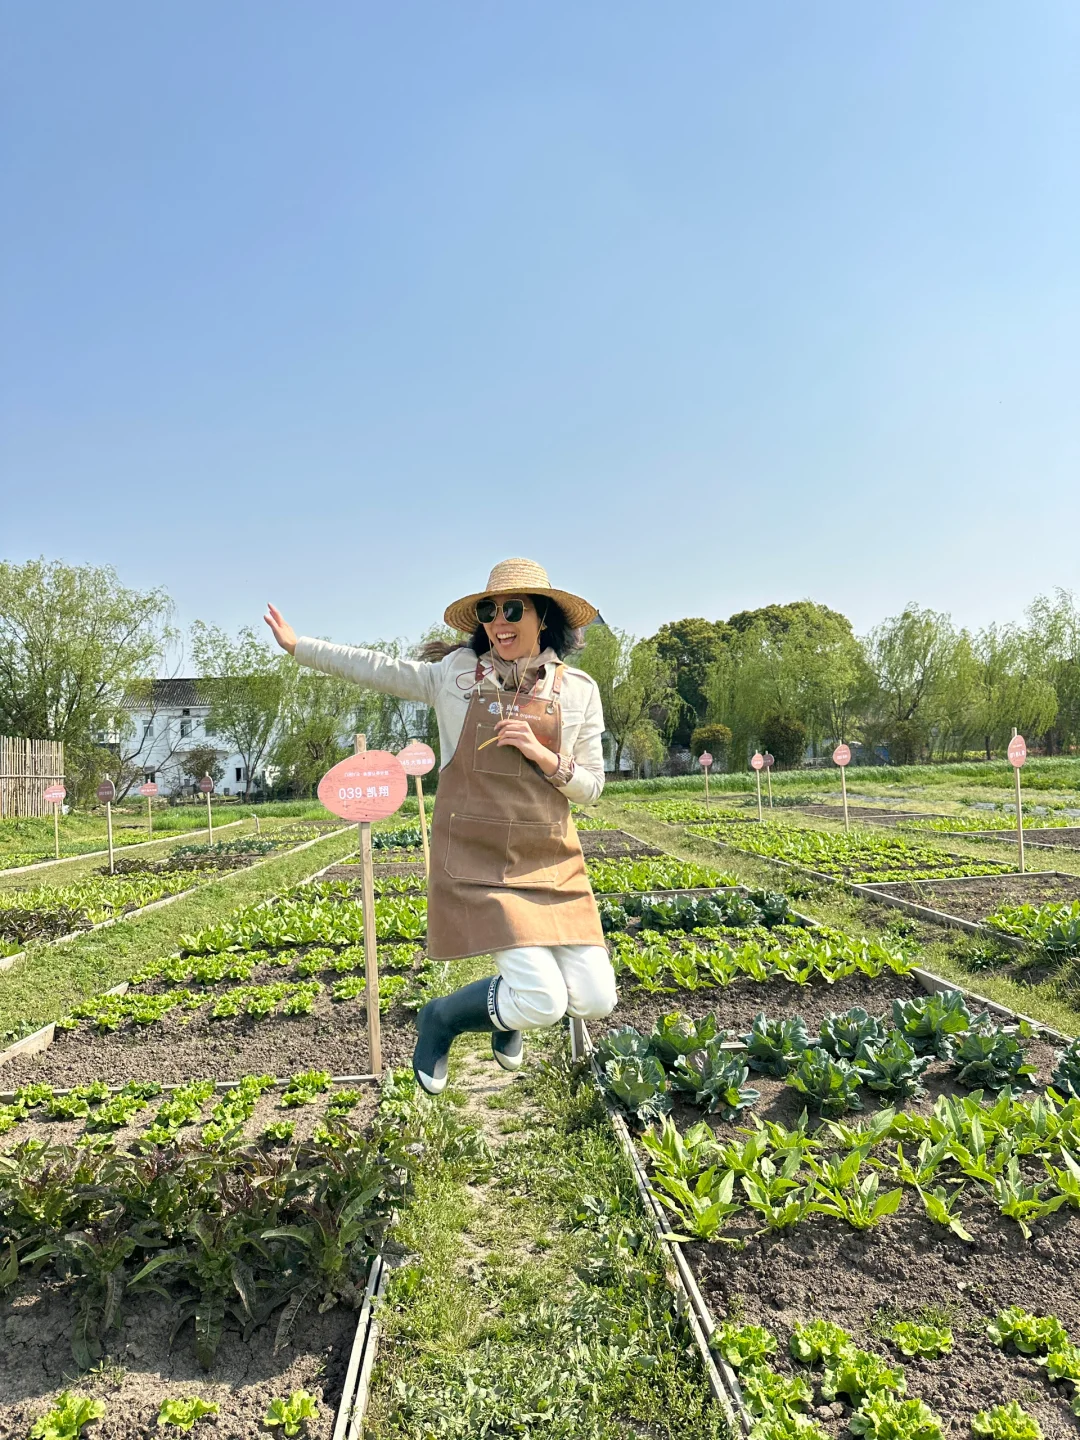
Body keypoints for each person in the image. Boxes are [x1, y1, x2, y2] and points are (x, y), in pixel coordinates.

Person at [264, 557, 617, 1094]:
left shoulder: (577, 691)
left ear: (542, 616)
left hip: (550, 854)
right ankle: (443, 1018)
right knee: (543, 1001)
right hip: (479, 854)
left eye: (513, 608)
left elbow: (591, 787)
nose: (499, 620)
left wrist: (545, 757)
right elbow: (379, 668)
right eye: (489, 610)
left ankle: (505, 1009)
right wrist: (300, 647)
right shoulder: (454, 676)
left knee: (595, 999)